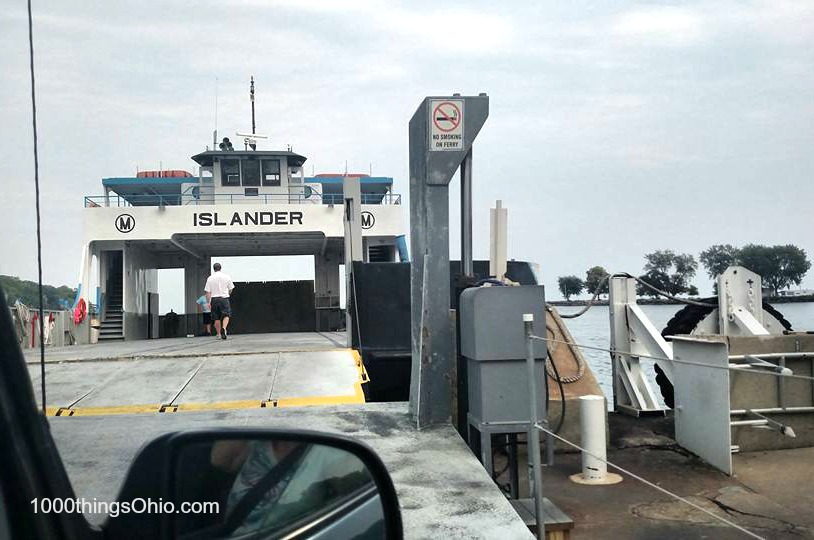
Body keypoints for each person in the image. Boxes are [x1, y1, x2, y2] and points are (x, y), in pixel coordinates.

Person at [204, 262, 235, 340]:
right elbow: (231, 288)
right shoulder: (226, 277)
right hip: (224, 298)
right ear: (220, 268)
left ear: (214, 269)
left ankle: (218, 334)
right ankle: (224, 328)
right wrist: (228, 293)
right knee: (226, 315)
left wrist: (208, 302)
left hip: (214, 299)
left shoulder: (210, 278)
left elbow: (207, 292)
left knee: (216, 317)